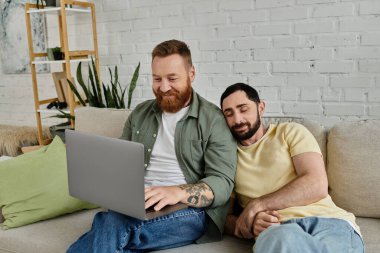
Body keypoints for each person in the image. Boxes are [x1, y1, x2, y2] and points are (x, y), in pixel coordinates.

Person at [66, 40, 237, 253]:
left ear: (191, 74)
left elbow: (222, 182)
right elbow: (118, 160)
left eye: (172, 78)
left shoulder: (213, 120)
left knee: (110, 223)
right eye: (157, 79)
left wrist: (177, 192)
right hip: (137, 206)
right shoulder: (140, 113)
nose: (164, 87)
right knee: (115, 228)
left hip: (189, 212)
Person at [220, 83, 364, 253]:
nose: (237, 120)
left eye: (243, 109)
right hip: (277, 231)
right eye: (229, 114)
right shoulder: (227, 157)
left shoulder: (290, 132)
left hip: (328, 222)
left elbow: (316, 184)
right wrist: (247, 224)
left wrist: (257, 205)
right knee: (282, 239)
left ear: (261, 107)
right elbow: (223, 217)